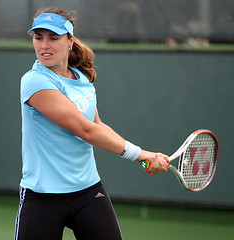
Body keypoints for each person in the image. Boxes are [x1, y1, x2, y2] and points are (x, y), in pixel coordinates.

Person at [15, 7, 169, 240]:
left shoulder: (82, 79)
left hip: (87, 193)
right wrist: (140, 155)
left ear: (70, 41)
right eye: (38, 37)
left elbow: (97, 125)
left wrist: (145, 155)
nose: (44, 45)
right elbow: (85, 131)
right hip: (42, 196)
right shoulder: (34, 81)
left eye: (53, 38)